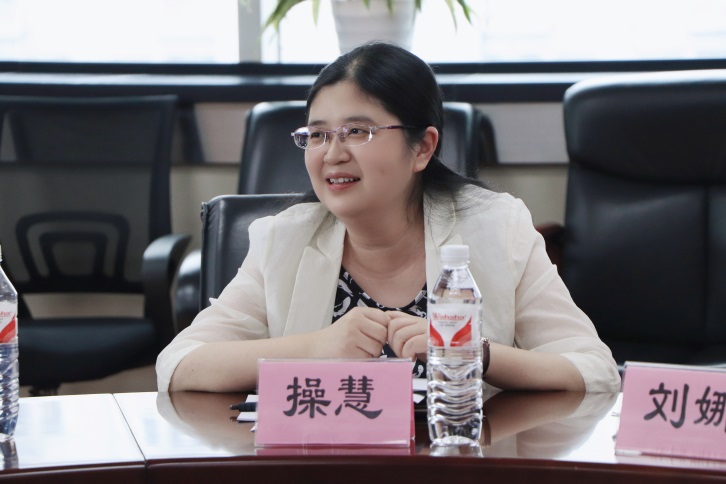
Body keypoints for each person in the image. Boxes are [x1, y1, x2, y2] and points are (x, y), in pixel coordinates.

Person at [157, 42, 620, 394]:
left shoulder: (497, 227)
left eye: (357, 131)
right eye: (317, 135)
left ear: (422, 147)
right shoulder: (285, 239)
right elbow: (178, 366)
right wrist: (314, 349)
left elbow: (594, 369)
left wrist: (472, 353)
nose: (332, 154)